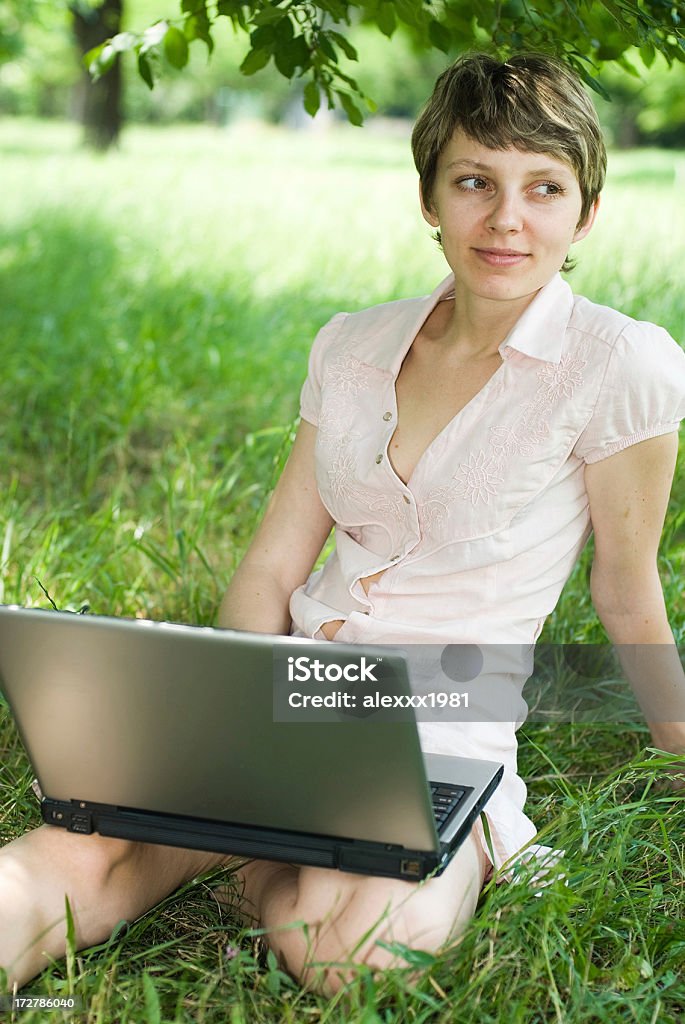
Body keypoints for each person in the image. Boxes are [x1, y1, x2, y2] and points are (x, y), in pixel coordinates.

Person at [1, 52, 684, 997]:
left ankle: (264, 862)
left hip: (444, 730)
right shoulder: (352, 343)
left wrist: (677, 749)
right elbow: (274, 562)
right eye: (474, 181)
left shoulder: (621, 363)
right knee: (43, 875)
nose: (506, 219)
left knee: (353, 956)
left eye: (544, 188)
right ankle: (239, 848)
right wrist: (231, 709)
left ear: (586, 211)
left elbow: (624, 585)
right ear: (430, 198)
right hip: (294, 695)